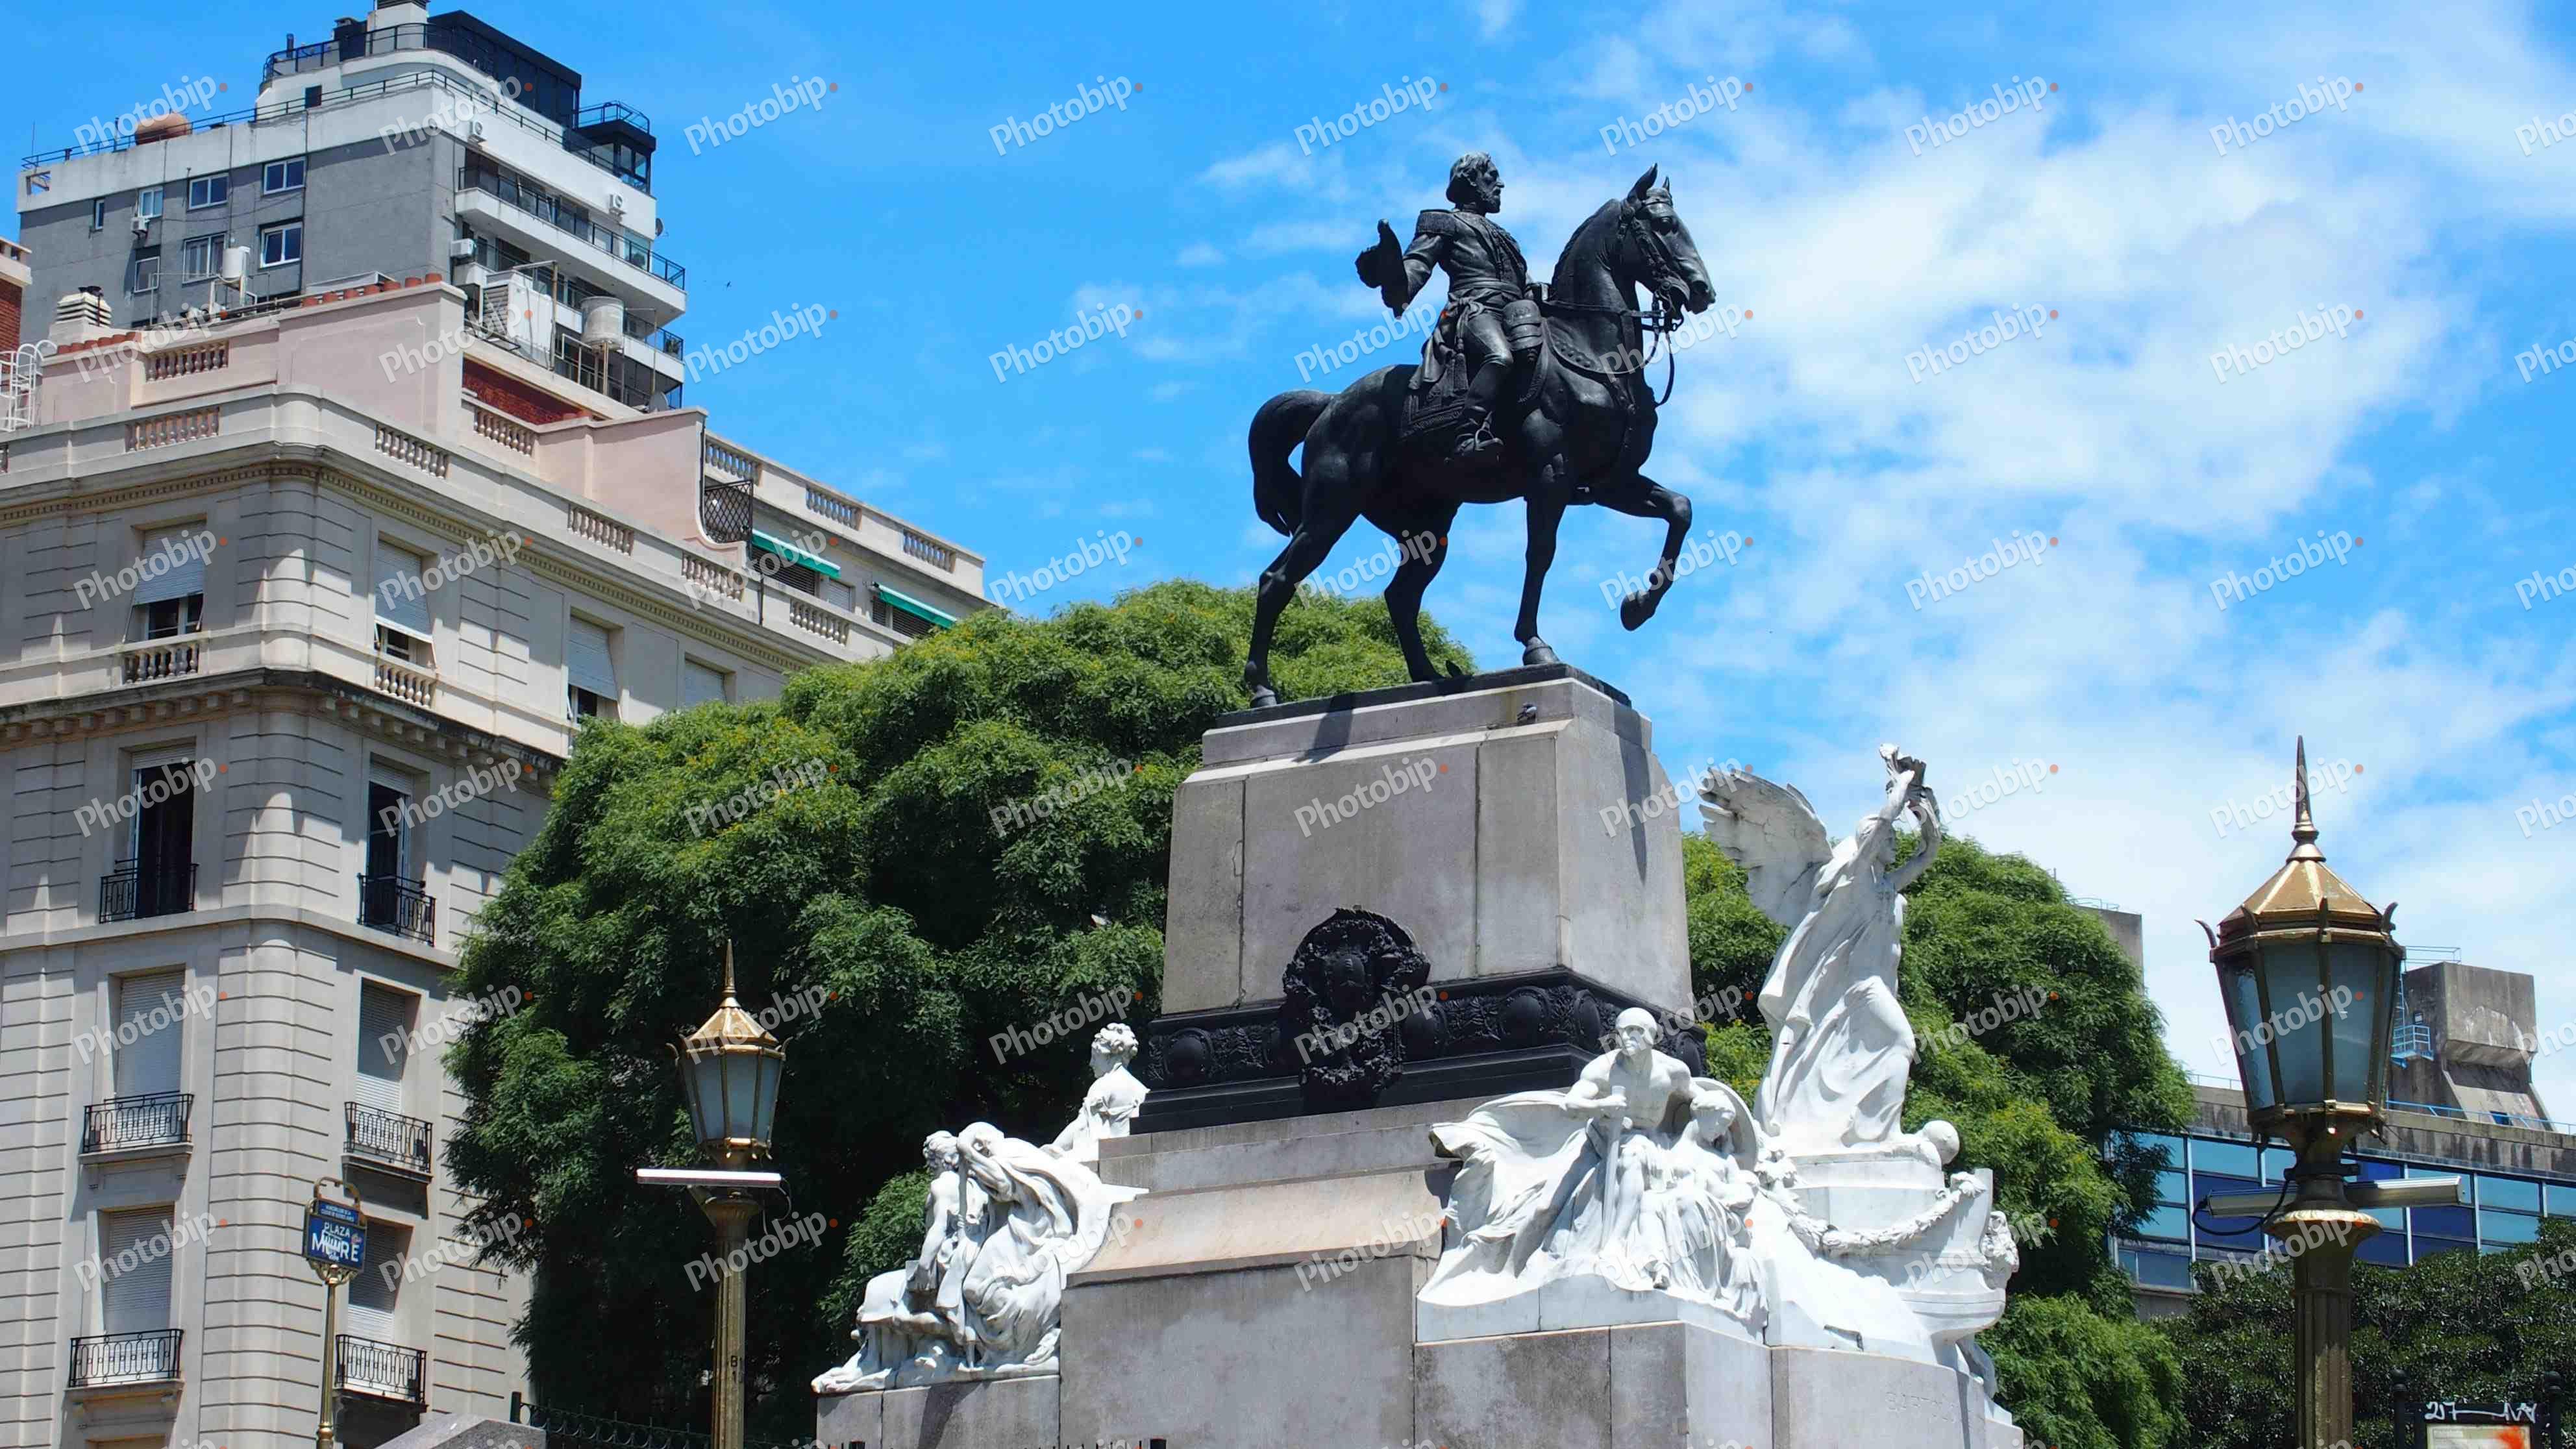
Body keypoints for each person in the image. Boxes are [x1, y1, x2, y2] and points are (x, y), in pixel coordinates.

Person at [1354, 152, 1542, 461]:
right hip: (1474, 311)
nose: (1501, 185)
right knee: (1500, 357)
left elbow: (1524, 282)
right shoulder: (1443, 222)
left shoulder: (1505, 237)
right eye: (1492, 177)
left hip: (1516, 314)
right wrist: (1392, 274)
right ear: (1471, 180)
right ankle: (1467, 434)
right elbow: (1415, 268)